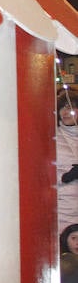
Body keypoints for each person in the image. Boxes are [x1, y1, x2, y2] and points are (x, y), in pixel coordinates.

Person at [59, 94, 78, 234]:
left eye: (70, 108)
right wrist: (65, 176)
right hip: (62, 209)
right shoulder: (52, 137)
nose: (65, 113)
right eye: (62, 108)